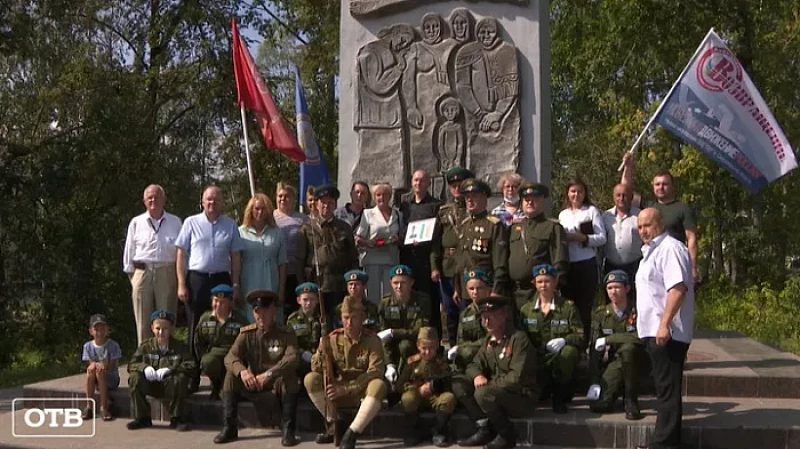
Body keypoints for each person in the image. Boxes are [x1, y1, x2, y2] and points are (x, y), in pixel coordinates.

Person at [634, 208, 694, 449]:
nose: (643, 231)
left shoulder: (670, 248)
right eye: (639, 227)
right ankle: (669, 440)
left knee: (667, 389)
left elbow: (677, 288)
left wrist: (664, 324)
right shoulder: (652, 252)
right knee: (664, 387)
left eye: (647, 225)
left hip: (667, 332)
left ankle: (662, 444)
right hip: (655, 329)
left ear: (660, 223)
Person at [175, 185, 244, 393]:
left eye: (215, 199)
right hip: (197, 280)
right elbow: (180, 254)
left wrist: (235, 284)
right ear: (202, 202)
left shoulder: (230, 225)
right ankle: (193, 376)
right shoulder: (191, 222)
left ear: (221, 202)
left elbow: (236, 257)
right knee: (195, 328)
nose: (212, 203)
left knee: (222, 328)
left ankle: (220, 380)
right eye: (208, 199)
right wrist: (180, 283)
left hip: (221, 279)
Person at [214, 289, 301, 446]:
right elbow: (230, 357)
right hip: (253, 381)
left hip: (275, 380)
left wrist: (269, 374)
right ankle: (229, 427)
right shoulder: (247, 333)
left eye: (265, 311)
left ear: (274, 310)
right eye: (257, 311)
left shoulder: (285, 333)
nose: (261, 316)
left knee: (290, 378)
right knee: (231, 375)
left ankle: (289, 430)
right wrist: (242, 372)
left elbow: (292, 357)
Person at [453, 297, 537, 449]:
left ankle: (507, 435)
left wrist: (489, 386)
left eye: (490, 316)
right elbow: (473, 365)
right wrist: (477, 375)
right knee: (459, 383)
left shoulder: (518, 339)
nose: (486, 322)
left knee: (483, 393)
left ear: (503, 315)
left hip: (521, 397)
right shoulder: (489, 341)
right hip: (497, 393)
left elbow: (515, 378)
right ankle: (484, 427)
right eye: (483, 317)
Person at [304, 296, 386, 449]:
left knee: (379, 385)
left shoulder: (372, 340)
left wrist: (348, 388)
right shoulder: (333, 338)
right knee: (310, 379)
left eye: (353, 318)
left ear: (362, 318)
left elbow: (376, 371)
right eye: (346, 318)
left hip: (361, 391)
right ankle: (335, 423)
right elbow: (315, 368)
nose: (349, 323)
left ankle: (351, 433)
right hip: (337, 391)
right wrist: (321, 351)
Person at [621, 153, 699, 283]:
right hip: (651, 262)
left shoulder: (682, 208)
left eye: (665, 184)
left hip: (674, 261)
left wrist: (693, 266)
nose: (660, 187)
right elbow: (626, 190)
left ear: (672, 186)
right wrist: (627, 167)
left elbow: (692, 239)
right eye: (657, 184)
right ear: (653, 187)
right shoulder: (648, 206)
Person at [518, 264, 583, 413]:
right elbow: (522, 339)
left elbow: (580, 336)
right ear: (534, 284)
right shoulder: (526, 310)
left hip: (560, 362)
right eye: (539, 281)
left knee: (569, 352)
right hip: (539, 360)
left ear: (555, 282)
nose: (543, 285)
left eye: (547, 281)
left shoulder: (568, 307)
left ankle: (559, 396)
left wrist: (565, 340)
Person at [123, 184, 182, 344]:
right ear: (144, 201)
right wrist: (134, 278)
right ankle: (143, 359)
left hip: (167, 272)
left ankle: (168, 358)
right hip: (142, 272)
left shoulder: (175, 222)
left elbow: (182, 252)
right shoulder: (136, 222)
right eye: (149, 197)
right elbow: (129, 251)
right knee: (143, 320)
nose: (153, 200)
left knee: (166, 318)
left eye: (156, 196)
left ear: (164, 199)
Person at [296, 184, 359, 323]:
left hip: (339, 285)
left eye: (330, 203)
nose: (326, 206)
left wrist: (352, 284)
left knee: (339, 322)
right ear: (317, 204)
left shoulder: (344, 228)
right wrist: (303, 286)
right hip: (316, 285)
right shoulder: (307, 229)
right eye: (323, 202)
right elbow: (300, 260)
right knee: (318, 324)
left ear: (335, 205)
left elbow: (352, 258)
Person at [587, 270, 645, 420]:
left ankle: (631, 400)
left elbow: (639, 336)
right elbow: (595, 348)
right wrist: (594, 382)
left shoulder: (638, 310)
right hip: (615, 361)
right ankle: (617, 388)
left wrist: (609, 339)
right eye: (609, 288)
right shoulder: (600, 314)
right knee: (598, 405)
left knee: (628, 349)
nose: (613, 291)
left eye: (617, 287)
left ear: (627, 288)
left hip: (639, 360)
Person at [127, 310, 196, 431]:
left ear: (171, 329)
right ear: (152, 328)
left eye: (165, 328)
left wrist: (171, 369)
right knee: (134, 378)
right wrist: (145, 367)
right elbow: (132, 364)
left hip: (169, 385)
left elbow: (191, 365)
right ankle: (142, 418)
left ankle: (176, 418)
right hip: (150, 384)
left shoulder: (180, 347)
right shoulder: (145, 346)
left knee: (181, 379)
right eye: (158, 328)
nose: (161, 332)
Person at [558, 178, 607, 344]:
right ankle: (570, 342)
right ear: (567, 193)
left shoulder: (591, 211)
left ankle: (584, 344)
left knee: (584, 308)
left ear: (584, 193)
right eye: (573, 191)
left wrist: (583, 238)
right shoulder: (563, 214)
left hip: (586, 264)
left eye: (580, 191)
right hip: (568, 265)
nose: (576, 195)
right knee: (568, 307)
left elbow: (602, 238)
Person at [431, 166, 473, 345]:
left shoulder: (472, 209)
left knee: (466, 309)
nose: (457, 188)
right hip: (447, 266)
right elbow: (435, 242)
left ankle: (467, 347)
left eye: (460, 184)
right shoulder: (443, 211)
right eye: (453, 185)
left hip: (466, 266)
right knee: (449, 310)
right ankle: (453, 348)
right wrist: (434, 266)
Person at [508, 182, 568, 309]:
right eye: (526, 200)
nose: (529, 202)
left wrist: (553, 290)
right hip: (514, 293)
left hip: (539, 293)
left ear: (542, 200)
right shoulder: (514, 228)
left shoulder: (552, 227)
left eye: (534, 199)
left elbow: (560, 261)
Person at [399, 169, 443, 333]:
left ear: (429, 183)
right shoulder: (404, 206)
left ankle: (434, 341)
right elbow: (401, 231)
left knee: (429, 302)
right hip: (408, 258)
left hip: (426, 261)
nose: (418, 183)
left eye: (422, 180)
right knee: (409, 301)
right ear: (411, 182)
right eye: (416, 180)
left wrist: (434, 266)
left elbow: (437, 236)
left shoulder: (435, 205)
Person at [396, 327, 455, 447]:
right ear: (418, 345)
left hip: (435, 397)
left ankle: (438, 430)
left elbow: (449, 382)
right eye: (424, 348)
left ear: (437, 345)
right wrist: (415, 389)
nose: (427, 352)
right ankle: (413, 431)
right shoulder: (412, 362)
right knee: (407, 399)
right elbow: (400, 385)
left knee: (449, 398)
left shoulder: (441, 363)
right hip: (417, 396)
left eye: (431, 348)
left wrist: (435, 387)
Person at [455, 178, 510, 297]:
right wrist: (457, 287)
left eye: (474, 195)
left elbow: (500, 262)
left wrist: (496, 290)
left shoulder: (494, 225)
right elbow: (460, 259)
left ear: (484, 198)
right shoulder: (464, 225)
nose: (469, 199)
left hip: (485, 288)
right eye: (466, 197)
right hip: (466, 289)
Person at [194, 284, 249, 401]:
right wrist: (204, 356)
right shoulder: (205, 318)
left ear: (230, 302)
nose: (218, 305)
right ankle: (216, 385)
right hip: (214, 355)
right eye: (215, 301)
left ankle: (234, 387)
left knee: (230, 394)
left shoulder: (240, 320)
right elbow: (198, 342)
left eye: (222, 302)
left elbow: (248, 344)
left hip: (234, 356)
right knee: (207, 362)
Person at [377, 265, 432, 381]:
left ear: (411, 283)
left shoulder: (422, 301)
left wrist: (394, 332)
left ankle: (403, 380)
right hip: (391, 345)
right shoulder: (385, 303)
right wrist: (390, 364)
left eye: (403, 282)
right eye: (395, 283)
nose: (399, 287)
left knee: (405, 346)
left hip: (414, 344)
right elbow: (383, 337)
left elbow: (419, 331)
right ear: (390, 283)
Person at [239, 193, 288, 323]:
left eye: (263, 209)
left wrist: (281, 289)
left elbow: (282, 263)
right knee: (251, 319)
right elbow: (236, 262)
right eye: (257, 208)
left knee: (272, 319)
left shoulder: (277, 232)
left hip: (271, 282)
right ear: (250, 210)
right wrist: (236, 287)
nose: (260, 212)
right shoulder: (240, 232)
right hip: (249, 282)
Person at [355, 182, 402, 304]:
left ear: (390, 196)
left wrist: (397, 239)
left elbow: (402, 234)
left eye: (385, 194)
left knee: (390, 297)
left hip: (391, 260)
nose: (381, 198)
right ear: (374, 197)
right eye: (378, 195)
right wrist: (368, 243)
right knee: (373, 297)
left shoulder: (397, 214)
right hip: (373, 261)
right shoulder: (368, 214)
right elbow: (358, 238)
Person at [601, 184, 642, 303]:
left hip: (634, 266)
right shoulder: (606, 216)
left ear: (631, 197)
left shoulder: (639, 215)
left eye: (625, 195)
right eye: (618, 195)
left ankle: (632, 321)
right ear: (613, 197)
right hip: (611, 266)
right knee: (612, 300)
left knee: (634, 301)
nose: (621, 198)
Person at [274, 183, 310, 317]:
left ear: (294, 199)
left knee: (295, 311)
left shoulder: (302, 219)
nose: (283, 199)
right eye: (280, 196)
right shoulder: (270, 219)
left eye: (287, 196)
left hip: (296, 272)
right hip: (276, 272)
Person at [81, 314, 122, 421]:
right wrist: (93, 365)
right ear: (91, 331)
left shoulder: (113, 345)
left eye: (102, 329)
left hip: (111, 378)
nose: (99, 332)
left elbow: (112, 365)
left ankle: (104, 408)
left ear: (107, 330)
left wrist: (103, 366)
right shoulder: (87, 346)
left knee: (100, 371)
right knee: (90, 371)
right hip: (95, 378)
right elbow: (90, 363)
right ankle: (89, 407)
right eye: (96, 329)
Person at [446, 270, 489, 372]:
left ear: (488, 289)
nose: (475, 292)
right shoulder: (465, 314)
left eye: (479, 288)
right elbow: (460, 340)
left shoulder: (494, 310)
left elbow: (492, 337)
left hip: (490, 351)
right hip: (471, 356)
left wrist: (465, 347)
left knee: (466, 352)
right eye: (471, 289)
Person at [285, 282, 323, 380]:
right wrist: (303, 353)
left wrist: (319, 354)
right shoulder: (292, 320)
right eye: (305, 300)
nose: (308, 303)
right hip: (301, 358)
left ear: (317, 300)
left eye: (312, 299)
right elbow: (290, 343)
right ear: (298, 300)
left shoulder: (323, 318)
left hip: (320, 357)